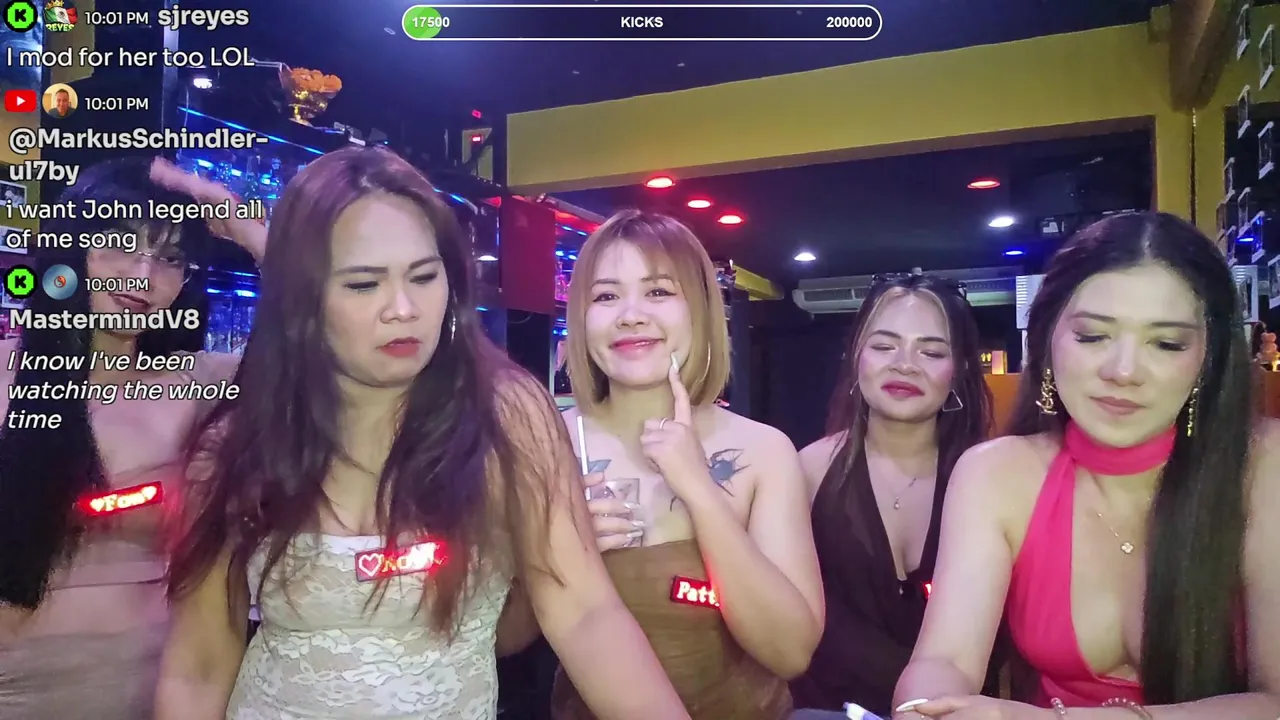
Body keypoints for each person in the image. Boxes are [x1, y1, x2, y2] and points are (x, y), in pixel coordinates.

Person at [154, 147, 689, 720]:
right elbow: (199, 665)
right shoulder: (240, 442)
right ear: (301, 300)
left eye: (425, 277)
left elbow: (586, 614)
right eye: (364, 285)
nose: (404, 309)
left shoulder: (505, 416)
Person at [893, 212, 1280, 718]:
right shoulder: (996, 473)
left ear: (1209, 358)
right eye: (1093, 336)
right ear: (1047, 340)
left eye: (1166, 344)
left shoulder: (1263, 466)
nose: (1123, 371)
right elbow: (944, 658)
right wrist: (926, 706)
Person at [0, 156, 264, 719]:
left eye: (170, 258)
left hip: (147, 693)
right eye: (120, 242)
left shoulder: (198, 385)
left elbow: (335, 337)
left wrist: (242, 225)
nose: (143, 275)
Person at [546, 210, 825, 719]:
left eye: (657, 292)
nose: (631, 315)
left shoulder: (764, 450)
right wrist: (560, 552)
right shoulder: (544, 444)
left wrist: (700, 490)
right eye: (606, 296)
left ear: (699, 309)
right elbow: (495, 633)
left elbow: (790, 652)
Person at [788, 272, 995, 717]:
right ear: (856, 356)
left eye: (931, 352)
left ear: (959, 369)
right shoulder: (807, 470)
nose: (905, 365)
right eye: (884, 346)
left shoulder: (992, 478)